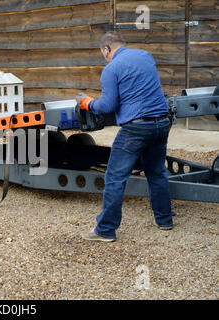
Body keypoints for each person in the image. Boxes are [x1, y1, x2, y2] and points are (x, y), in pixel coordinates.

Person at [79, 31, 175, 242]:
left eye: (103, 53)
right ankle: (164, 220)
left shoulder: (111, 68)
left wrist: (88, 103)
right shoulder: (145, 55)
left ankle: (105, 230)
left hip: (137, 128)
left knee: (114, 177)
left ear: (107, 49)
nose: (104, 56)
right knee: (157, 172)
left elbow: (107, 106)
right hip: (162, 122)